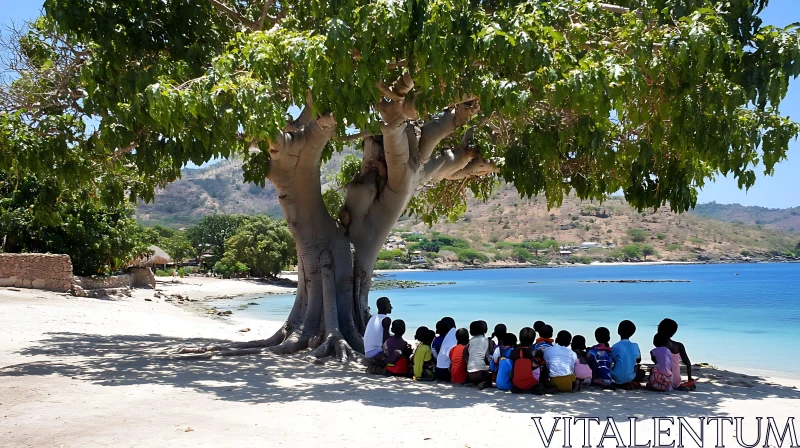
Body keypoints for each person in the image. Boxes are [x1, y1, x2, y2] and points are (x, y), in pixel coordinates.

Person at [657, 318, 694, 389]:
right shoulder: (679, 345)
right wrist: (689, 378)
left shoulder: (659, 344)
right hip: (675, 381)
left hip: (663, 380)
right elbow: (688, 363)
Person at [611, 320, 645, 388]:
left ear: (618, 331)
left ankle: (621, 383)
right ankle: (630, 382)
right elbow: (638, 360)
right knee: (641, 372)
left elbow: (612, 360)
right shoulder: (635, 345)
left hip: (614, 377)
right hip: (630, 377)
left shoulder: (615, 346)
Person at [363, 297, 392, 374]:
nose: (391, 306)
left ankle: (373, 367)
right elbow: (386, 342)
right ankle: (381, 369)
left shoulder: (373, 317)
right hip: (377, 356)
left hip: (367, 355)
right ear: (384, 306)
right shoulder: (386, 319)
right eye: (389, 304)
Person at [510, 327, 539, 393]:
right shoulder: (534, 351)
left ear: (519, 338)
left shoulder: (513, 351)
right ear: (533, 340)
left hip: (516, 381)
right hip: (531, 381)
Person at [465, 321, 492, 389]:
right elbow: (490, 354)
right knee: (489, 375)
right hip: (482, 372)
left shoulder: (470, 342)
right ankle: (484, 384)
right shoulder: (489, 341)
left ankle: (473, 381)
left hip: (470, 373)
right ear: (485, 330)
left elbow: (465, 355)